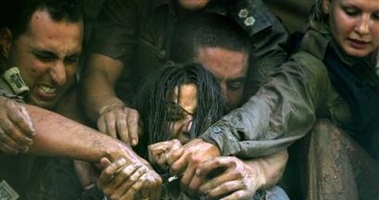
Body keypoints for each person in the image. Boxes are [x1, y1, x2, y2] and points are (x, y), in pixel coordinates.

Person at [162, 0, 379, 200]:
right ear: (326, 4)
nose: (362, 28)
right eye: (351, 12)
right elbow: (277, 105)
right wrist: (217, 142)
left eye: (377, 16)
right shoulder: (313, 61)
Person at [39, 62, 302, 200]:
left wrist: (214, 184)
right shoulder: (110, 185)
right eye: (173, 115)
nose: (188, 128)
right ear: (148, 121)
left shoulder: (252, 183)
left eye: (200, 117)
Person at [0, 1, 161, 200]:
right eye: (44, 56)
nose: (59, 75)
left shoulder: (68, 96)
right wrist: (113, 150)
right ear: (5, 43)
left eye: (71, 60)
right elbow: (21, 121)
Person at [78, 0, 289, 146]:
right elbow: (97, 73)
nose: (220, 95)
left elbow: (270, 118)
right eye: (209, 80)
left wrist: (219, 144)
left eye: (234, 85)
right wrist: (111, 109)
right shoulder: (136, 5)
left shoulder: (261, 29)